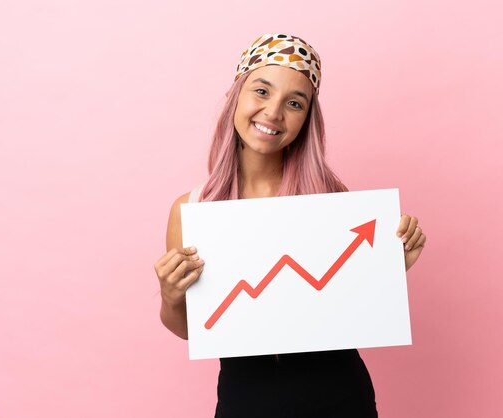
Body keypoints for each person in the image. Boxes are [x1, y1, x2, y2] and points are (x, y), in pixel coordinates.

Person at [154, 33, 426, 418]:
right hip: (245, 401)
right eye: (261, 91)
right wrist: (170, 295)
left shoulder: (330, 197)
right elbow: (189, 330)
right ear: (237, 96)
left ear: (306, 120)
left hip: (340, 397)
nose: (273, 112)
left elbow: (348, 303)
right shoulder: (193, 209)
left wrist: (392, 266)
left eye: (294, 103)